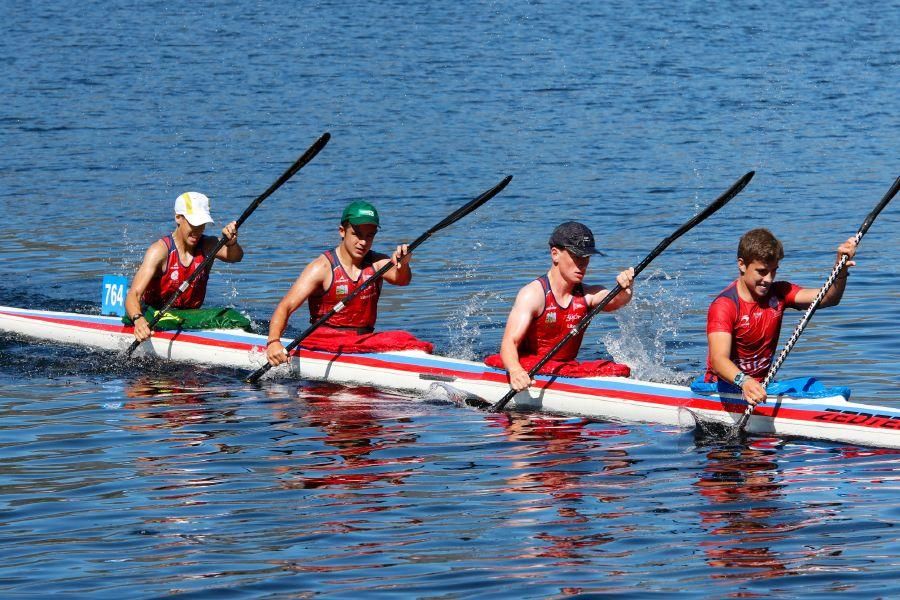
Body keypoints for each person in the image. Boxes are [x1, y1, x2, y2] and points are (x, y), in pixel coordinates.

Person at [265, 200, 432, 366]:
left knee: (404, 337)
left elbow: (402, 280)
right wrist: (273, 342)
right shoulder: (322, 267)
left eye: (369, 236)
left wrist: (404, 263)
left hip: (362, 341)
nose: (363, 242)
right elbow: (285, 306)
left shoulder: (377, 262)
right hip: (324, 342)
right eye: (357, 234)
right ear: (342, 231)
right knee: (401, 339)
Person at [704, 228, 857, 406]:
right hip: (724, 386)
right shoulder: (725, 306)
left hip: (762, 387)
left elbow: (829, 298)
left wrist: (840, 269)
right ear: (742, 265)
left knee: (813, 385)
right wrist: (744, 381)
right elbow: (718, 359)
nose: (768, 279)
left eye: (773, 271)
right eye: (761, 271)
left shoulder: (780, 292)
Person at [486, 221, 635, 392]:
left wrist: (627, 287)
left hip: (567, 368)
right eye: (577, 256)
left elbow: (615, 301)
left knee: (619, 369)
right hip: (529, 366)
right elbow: (509, 342)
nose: (583, 264)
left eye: (586, 258)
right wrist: (515, 371)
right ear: (555, 254)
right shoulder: (533, 295)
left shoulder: (587, 295)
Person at [125, 192, 242, 342]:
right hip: (156, 313)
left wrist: (231, 242)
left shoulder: (208, 246)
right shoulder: (160, 251)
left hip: (190, 316)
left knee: (231, 316)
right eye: (193, 223)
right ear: (178, 217)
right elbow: (133, 295)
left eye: (202, 224)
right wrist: (138, 319)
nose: (198, 230)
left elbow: (236, 257)